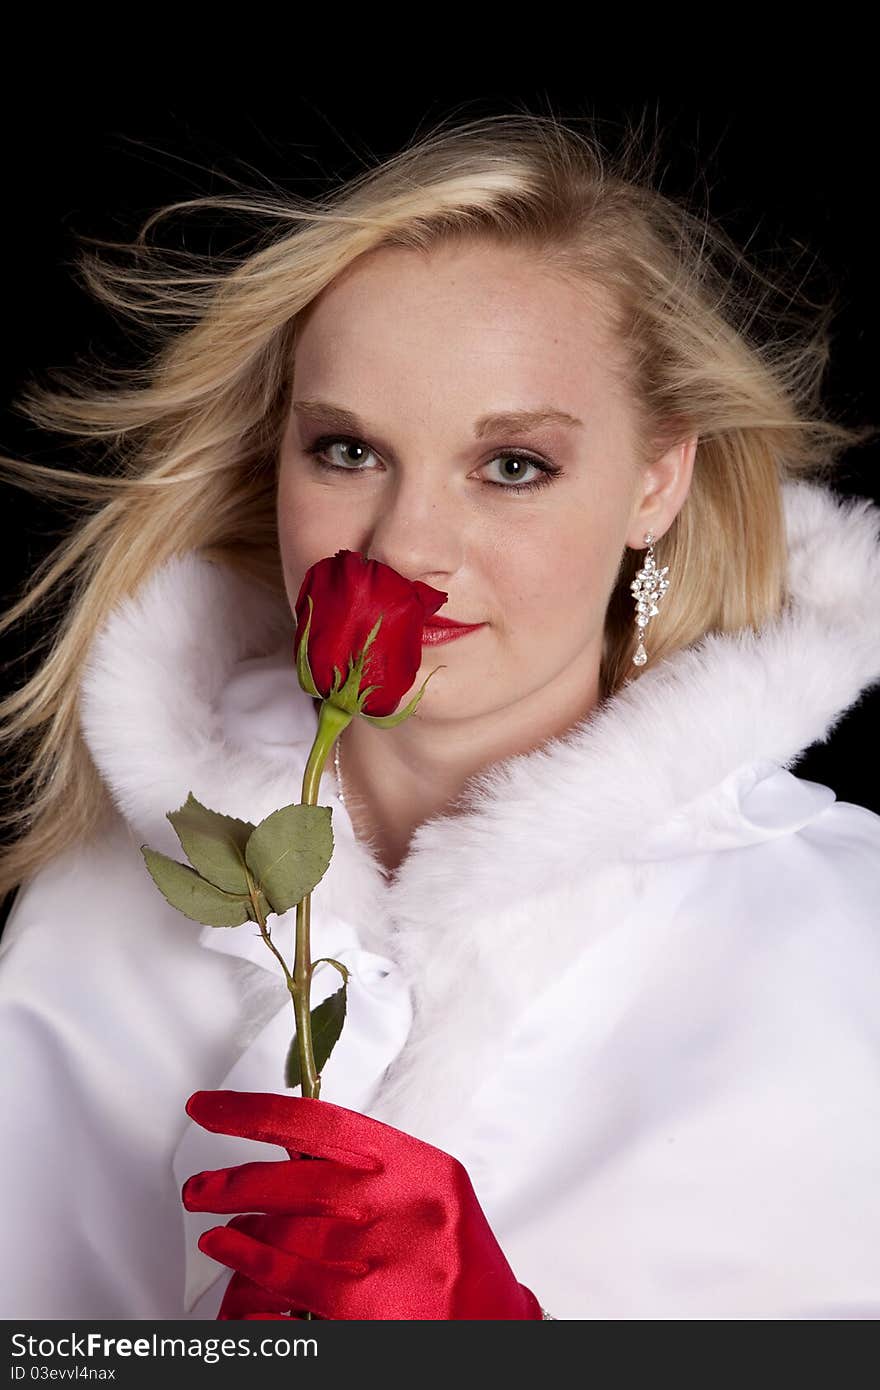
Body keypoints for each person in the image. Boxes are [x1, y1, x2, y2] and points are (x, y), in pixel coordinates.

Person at [1, 110, 879, 1321]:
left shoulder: (850, 941)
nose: (407, 545)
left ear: (654, 479)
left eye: (512, 463)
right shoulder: (96, 914)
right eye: (348, 449)